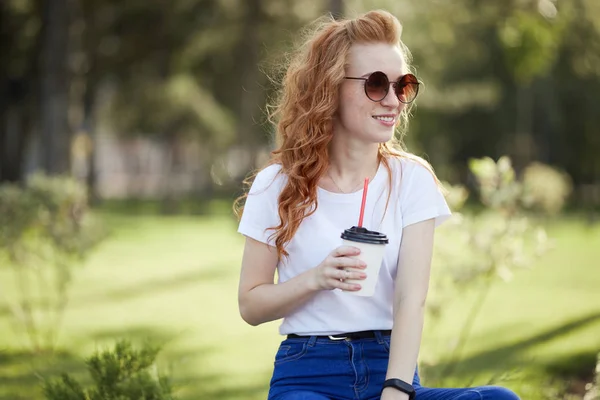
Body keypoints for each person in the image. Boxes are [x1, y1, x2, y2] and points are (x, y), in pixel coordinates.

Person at [234, 9, 520, 400]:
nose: (393, 100)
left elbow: (410, 300)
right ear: (329, 88)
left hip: (390, 367)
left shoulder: (411, 179)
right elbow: (251, 304)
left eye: (402, 85)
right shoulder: (277, 184)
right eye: (376, 84)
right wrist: (316, 278)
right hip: (307, 371)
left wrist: (397, 388)